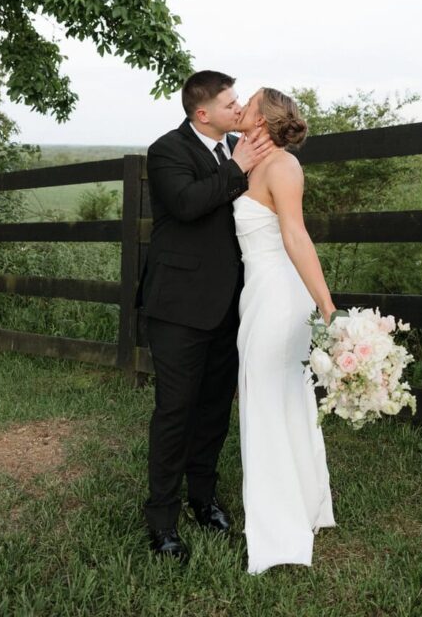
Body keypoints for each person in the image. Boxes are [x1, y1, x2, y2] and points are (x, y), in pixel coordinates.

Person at [136, 70, 273, 563]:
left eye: (239, 102)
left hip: (231, 304)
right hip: (177, 307)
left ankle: (203, 498)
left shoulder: (239, 143)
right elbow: (188, 204)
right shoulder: (168, 150)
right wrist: (235, 167)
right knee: (175, 413)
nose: (238, 109)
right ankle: (162, 520)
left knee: (215, 409)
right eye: (231, 103)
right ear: (202, 113)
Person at [233, 87, 337, 574]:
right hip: (257, 293)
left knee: (272, 400)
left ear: (264, 118)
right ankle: (299, 504)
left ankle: (280, 528)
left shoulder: (284, 167)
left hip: (279, 295)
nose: (240, 108)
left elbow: (296, 235)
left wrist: (325, 301)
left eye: (248, 103)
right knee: (270, 397)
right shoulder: (250, 163)